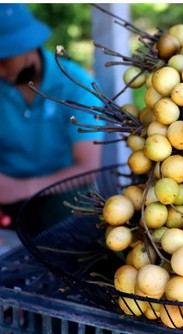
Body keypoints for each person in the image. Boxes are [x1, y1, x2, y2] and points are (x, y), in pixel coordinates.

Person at [0, 4, 104, 227]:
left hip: (59, 196)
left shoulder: (77, 85)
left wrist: (22, 189)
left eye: (4, 60)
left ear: (29, 46)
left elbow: (88, 168)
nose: (0, 71)